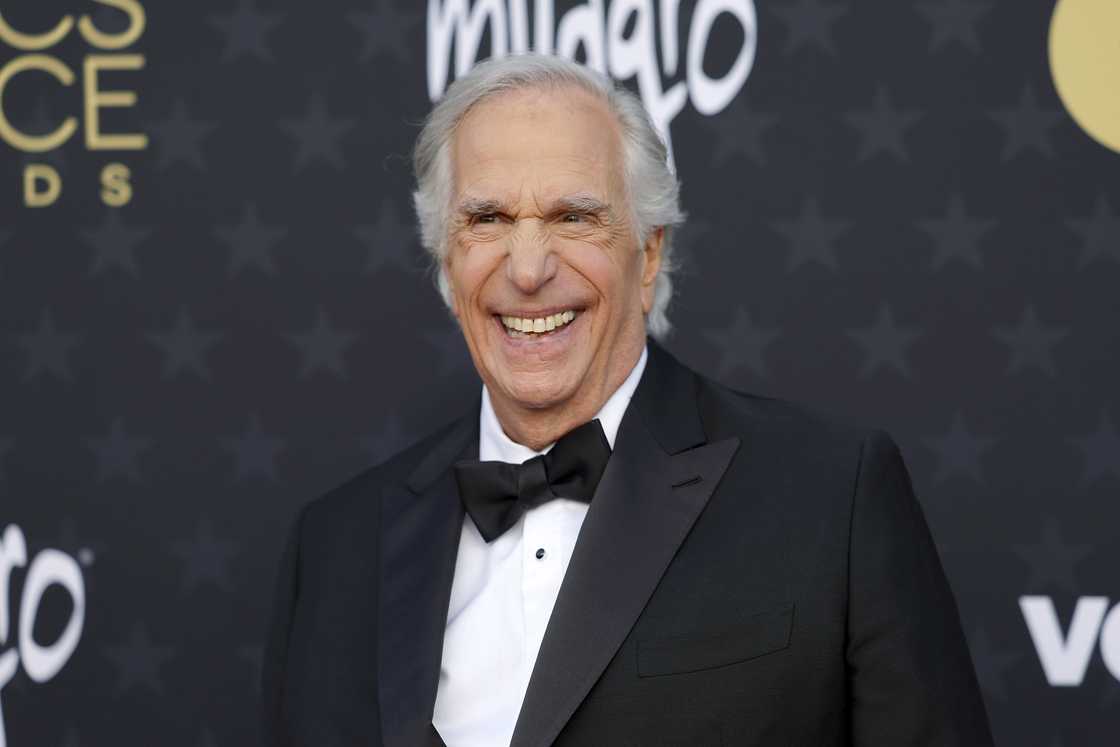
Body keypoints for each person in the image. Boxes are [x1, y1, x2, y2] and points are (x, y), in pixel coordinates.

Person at [261, 53, 993, 747]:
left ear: (648, 256)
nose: (527, 268)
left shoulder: (833, 498)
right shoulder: (334, 549)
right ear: (448, 263)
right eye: (487, 220)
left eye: (573, 217)